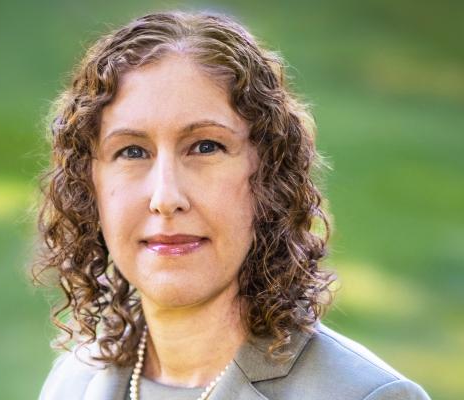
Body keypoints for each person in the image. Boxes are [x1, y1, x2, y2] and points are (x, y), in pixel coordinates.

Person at [32, 10, 431, 400]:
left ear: (270, 174)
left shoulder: (366, 395)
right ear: (90, 184)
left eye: (206, 146)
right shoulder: (74, 380)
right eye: (132, 151)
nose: (166, 197)